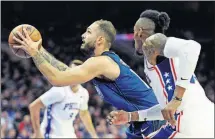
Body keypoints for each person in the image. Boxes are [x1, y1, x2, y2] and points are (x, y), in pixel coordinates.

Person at [13, 19, 164, 138]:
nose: (83, 35)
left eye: (88, 32)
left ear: (100, 40)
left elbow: (57, 78)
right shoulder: (102, 62)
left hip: (152, 120)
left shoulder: (101, 62)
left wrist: (34, 53)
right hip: (141, 120)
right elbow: (65, 71)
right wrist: (40, 50)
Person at [106, 10, 214, 138]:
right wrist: (131, 116)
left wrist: (176, 99)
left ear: (139, 31)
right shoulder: (153, 61)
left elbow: (192, 47)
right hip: (206, 118)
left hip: (189, 124)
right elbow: (166, 109)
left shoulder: (153, 43)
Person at [28, 60, 98, 138]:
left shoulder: (83, 93)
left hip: (69, 135)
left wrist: (94, 135)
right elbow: (33, 107)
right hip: (51, 135)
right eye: (72, 71)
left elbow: (84, 114)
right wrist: (37, 133)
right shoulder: (60, 90)